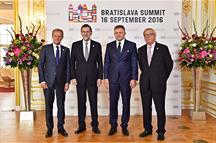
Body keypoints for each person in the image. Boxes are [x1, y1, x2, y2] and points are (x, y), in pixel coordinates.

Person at [138, 28, 173, 141]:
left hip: (158, 84)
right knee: (146, 108)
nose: (148, 37)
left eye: (150, 34)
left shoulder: (163, 48)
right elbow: (142, 67)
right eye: (145, 35)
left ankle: (161, 131)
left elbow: (169, 65)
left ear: (155, 35)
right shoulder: (141, 50)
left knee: (160, 108)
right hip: (145, 84)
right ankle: (147, 129)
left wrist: (162, 78)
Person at [104, 25, 138, 136]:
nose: (118, 34)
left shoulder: (131, 45)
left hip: (126, 79)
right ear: (114, 34)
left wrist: (134, 78)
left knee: (126, 102)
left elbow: (134, 63)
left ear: (124, 33)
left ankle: (124, 126)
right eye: (116, 33)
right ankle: (113, 126)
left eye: (120, 32)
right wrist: (106, 78)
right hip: (112, 79)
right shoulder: (109, 46)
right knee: (113, 103)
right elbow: (107, 63)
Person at [71, 24, 103, 134]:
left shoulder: (97, 45)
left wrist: (100, 77)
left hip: (93, 79)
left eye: (87, 31)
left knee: (93, 102)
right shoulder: (75, 45)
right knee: (81, 103)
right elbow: (72, 63)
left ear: (91, 32)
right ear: (81, 32)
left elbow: (100, 63)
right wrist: (73, 76)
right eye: (83, 31)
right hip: (79, 79)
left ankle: (95, 125)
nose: (85, 33)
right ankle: (81, 125)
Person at [38, 28, 70, 138]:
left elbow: (68, 67)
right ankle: (50, 128)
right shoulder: (45, 48)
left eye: (60, 36)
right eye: (56, 36)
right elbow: (40, 65)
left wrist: (67, 82)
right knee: (49, 106)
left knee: (61, 105)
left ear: (62, 37)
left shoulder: (66, 50)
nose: (57, 38)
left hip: (61, 82)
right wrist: (42, 80)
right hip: (48, 82)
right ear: (52, 36)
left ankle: (61, 127)